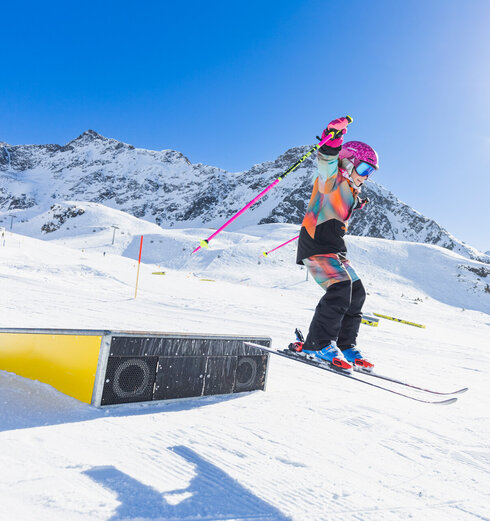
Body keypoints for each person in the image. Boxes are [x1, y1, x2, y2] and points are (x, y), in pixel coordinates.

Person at [295, 116, 379, 373]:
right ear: (349, 161)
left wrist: (358, 202)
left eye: (371, 173)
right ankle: (318, 343)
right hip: (317, 242)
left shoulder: (351, 191)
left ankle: (345, 343)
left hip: (335, 247)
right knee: (340, 289)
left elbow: (345, 203)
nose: (366, 177)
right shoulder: (330, 179)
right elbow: (326, 159)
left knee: (357, 292)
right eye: (364, 169)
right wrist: (333, 137)